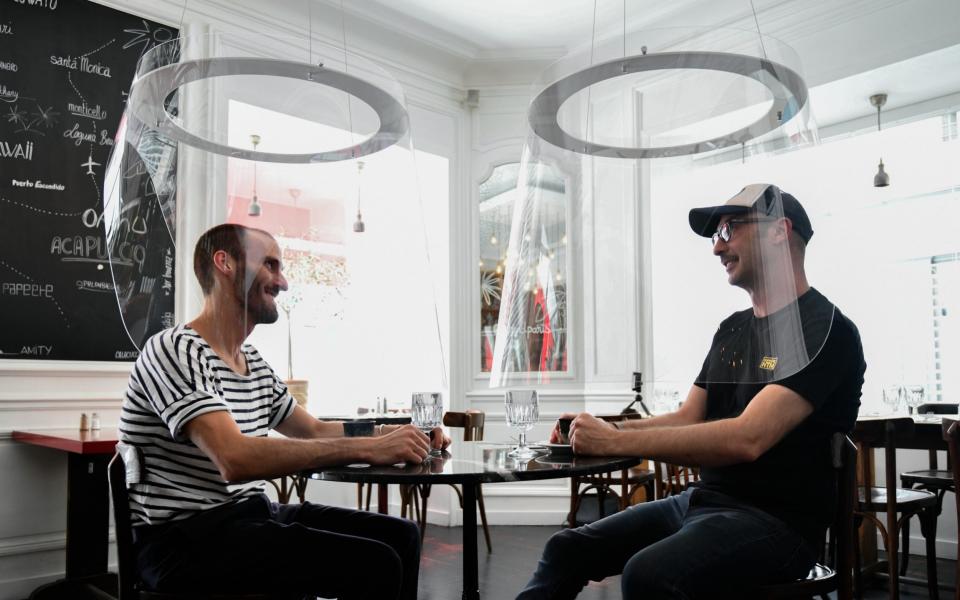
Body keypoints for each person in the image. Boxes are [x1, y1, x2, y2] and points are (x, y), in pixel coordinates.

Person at [517, 184, 866, 599]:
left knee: (648, 574)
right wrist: (595, 430)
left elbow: (748, 438)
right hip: (701, 503)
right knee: (566, 548)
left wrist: (612, 440)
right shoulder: (731, 330)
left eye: (729, 229)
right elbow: (688, 417)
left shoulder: (826, 329)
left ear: (779, 230)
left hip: (777, 524)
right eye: (717, 235)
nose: (716, 249)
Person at [119, 223, 449, 600]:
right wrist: (368, 449)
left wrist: (397, 434)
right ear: (224, 263)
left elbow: (314, 430)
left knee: (401, 536)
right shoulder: (176, 349)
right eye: (271, 266)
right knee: (376, 563)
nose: (283, 282)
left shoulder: (253, 362)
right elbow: (233, 458)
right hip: (183, 541)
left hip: (249, 516)